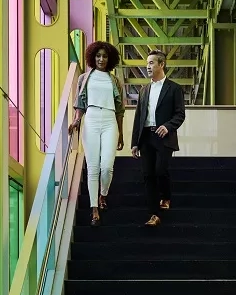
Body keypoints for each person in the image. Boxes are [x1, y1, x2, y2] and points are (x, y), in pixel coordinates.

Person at [68, 41, 125, 227]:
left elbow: (119, 110)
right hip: (91, 119)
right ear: (93, 57)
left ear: (110, 59)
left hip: (110, 120)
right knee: (93, 167)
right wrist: (77, 120)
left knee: (107, 167)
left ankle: (103, 194)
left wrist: (121, 133)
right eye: (98, 55)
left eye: (105, 56)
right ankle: (94, 209)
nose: (101, 59)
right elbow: (80, 103)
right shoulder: (85, 78)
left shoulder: (114, 80)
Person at [130, 50, 186, 226]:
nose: (148, 66)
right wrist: (134, 143)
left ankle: (166, 196)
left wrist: (168, 126)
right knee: (148, 174)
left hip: (163, 138)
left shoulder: (174, 88)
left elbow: (180, 115)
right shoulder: (144, 90)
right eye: (147, 63)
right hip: (146, 136)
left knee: (160, 171)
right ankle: (154, 214)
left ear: (162, 65)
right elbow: (138, 117)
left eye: (152, 62)